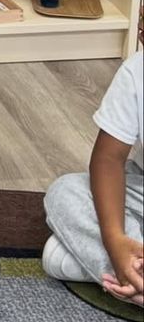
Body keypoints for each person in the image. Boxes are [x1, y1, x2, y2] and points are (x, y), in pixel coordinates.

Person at [43, 45, 143, 307]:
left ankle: (123, 275)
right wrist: (114, 241)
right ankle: (130, 268)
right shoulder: (137, 71)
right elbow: (108, 160)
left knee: (57, 258)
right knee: (65, 191)